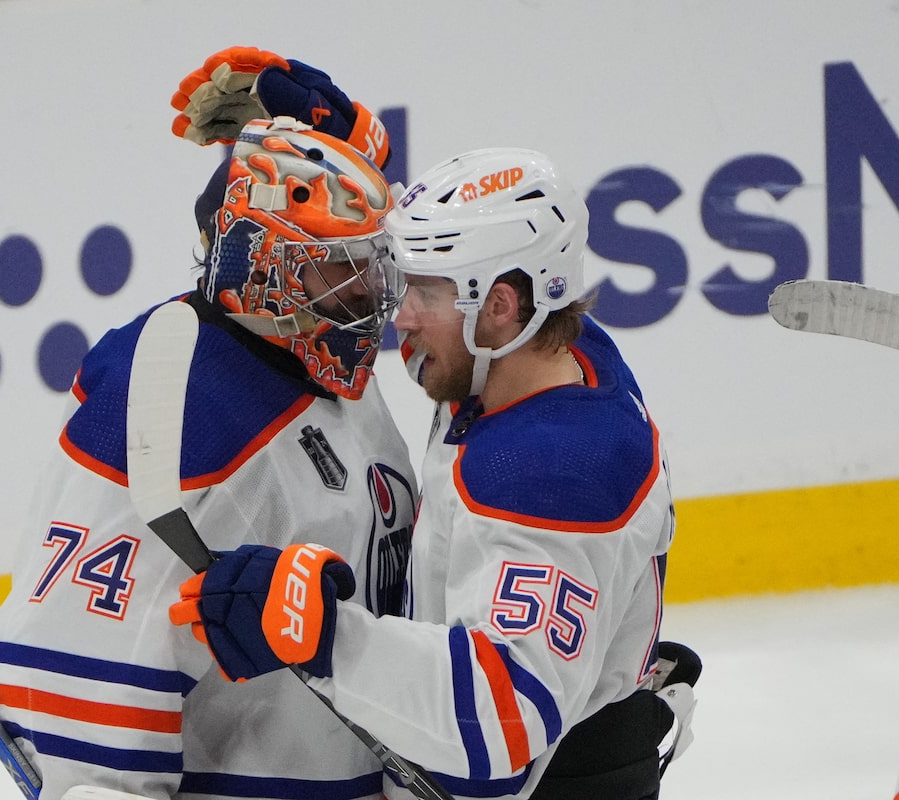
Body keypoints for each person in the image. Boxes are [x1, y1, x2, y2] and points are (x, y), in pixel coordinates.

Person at [171, 147, 700, 800]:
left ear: (502, 304)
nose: (402, 315)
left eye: (426, 291)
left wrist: (322, 633)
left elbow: (500, 728)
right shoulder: (532, 355)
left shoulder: (554, 474)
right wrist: (304, 144)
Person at [0, 52, 417, 800]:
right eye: (338, 269)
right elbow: (82, 700)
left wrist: (340, 138)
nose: (366, 294)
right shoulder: (173, 398)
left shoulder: (312, 353)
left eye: (368, 268)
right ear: (266, 265)